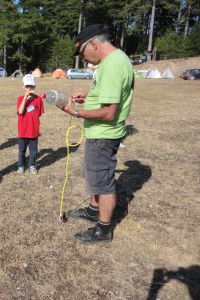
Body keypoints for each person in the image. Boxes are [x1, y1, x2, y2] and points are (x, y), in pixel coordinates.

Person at [61, 24, 134, 243]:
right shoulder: (113, 61)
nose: (84, 59)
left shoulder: (112, 65)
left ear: (93, 43)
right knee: (95, 174)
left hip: (104, 134)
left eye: (83, 53)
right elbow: (106, 98)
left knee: (103, 182)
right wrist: (89, 97)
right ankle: (94, 209)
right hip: (99, 134)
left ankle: (102, 230)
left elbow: (110, 112)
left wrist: (76, 112)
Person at [16, 74, 44, 175]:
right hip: (23, 131)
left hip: (33, 131)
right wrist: (25, 98)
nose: (29, 88)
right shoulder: (20, 99)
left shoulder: (38, 99)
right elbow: (20, 111)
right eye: (27, 86)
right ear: (24, 87)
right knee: (22, 151)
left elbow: (39, 114)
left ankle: (32, 165)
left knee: (33, 151)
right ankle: (21, 165)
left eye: (31, 86)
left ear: (35, 87)